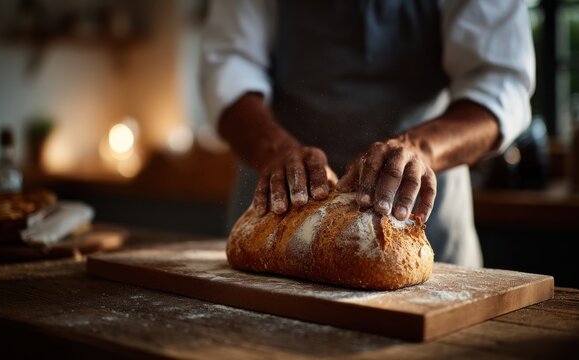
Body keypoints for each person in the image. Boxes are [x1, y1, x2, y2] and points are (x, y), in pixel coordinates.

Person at [200, 0, 535, 267]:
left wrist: (417, 148)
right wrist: (273, 148)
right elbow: (229, 66)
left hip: (416, 208)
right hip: (281, 199)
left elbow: (499, 82)